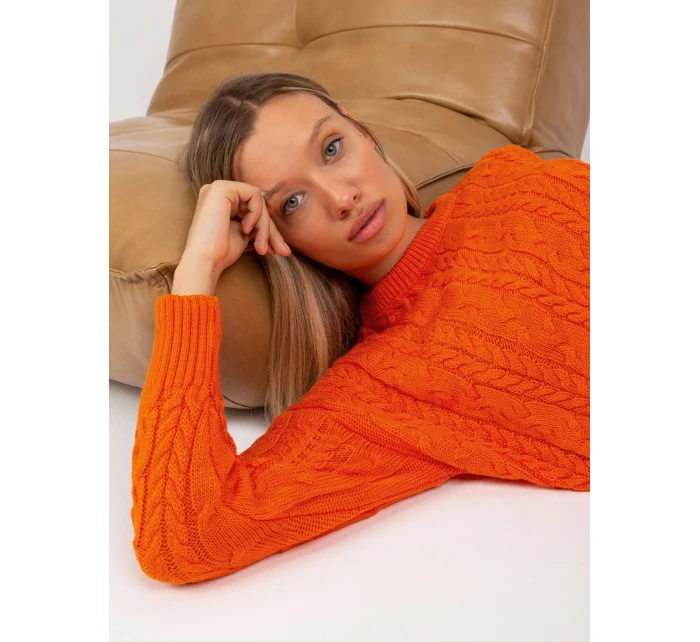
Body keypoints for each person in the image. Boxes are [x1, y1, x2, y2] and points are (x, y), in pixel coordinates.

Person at [131, 72, 590, 585]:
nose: (340, 198)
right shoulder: (383, 388)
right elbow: (184, 541)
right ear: (275, 238)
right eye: (292, 202)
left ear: (363, 132)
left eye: (332, 149)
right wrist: (196, 273)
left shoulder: (511, 179)